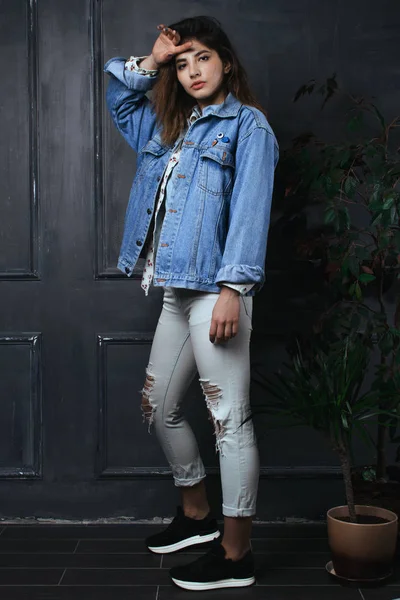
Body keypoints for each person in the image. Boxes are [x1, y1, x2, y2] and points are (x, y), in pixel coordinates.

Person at [104, 15, 278, 591]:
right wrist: (152, 60)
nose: (192, 70)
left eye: (202, 57)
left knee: (228, 421)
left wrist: (234, 289)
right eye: (182, 63)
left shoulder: (248, 127)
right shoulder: (168, 125)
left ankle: (236, 555)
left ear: (226, 62)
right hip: (177, 291)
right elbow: (119, 102)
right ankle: (198, 514)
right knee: (159, 408)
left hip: (218, 293)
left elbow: (250, 212)